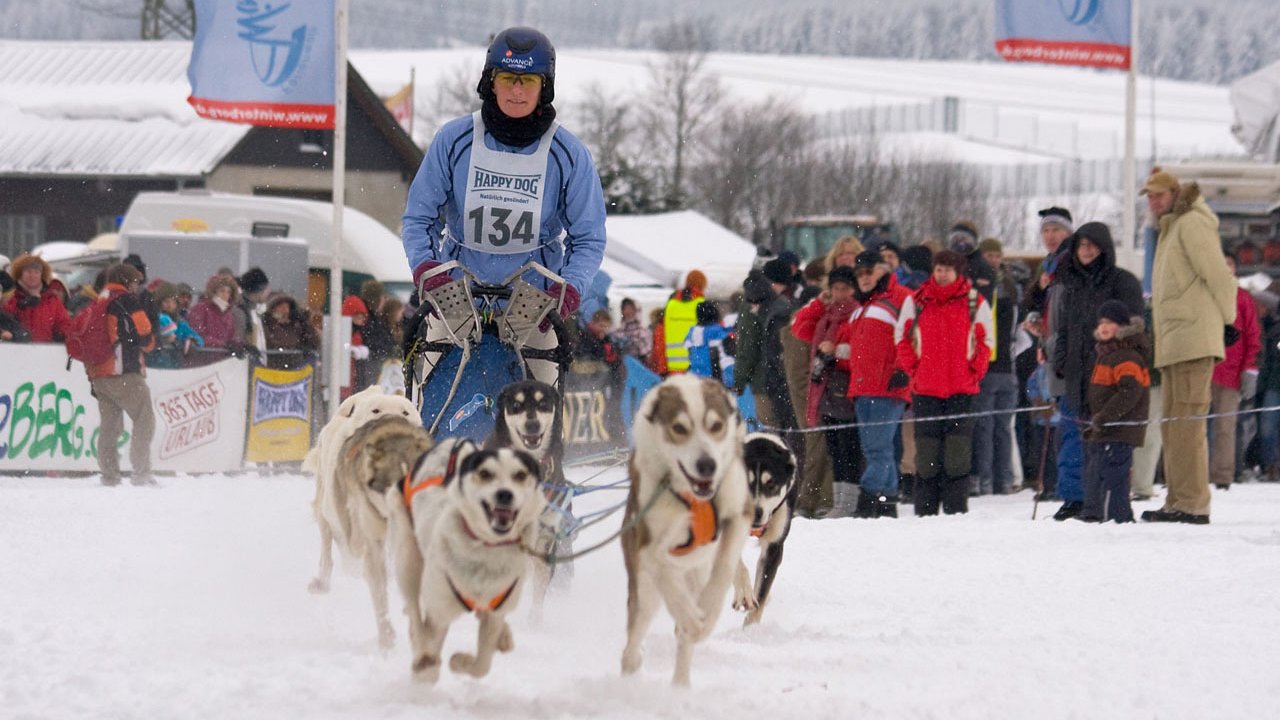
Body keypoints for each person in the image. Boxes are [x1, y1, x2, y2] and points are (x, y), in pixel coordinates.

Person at [401, 26, 606, 393]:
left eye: (527, 80)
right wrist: (427, 272)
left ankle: (544, 451)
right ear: (489, 82)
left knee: (539, 415)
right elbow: (419, 218)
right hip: (457, 299)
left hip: (535, 309)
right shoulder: (454, 140)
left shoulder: (569, 154)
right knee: (431, 401)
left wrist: (569, 290)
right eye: (508, 78)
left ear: (544, 86)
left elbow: (588, 237)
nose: (516, 90)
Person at [1143, 170, 1237, 525]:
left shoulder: (1191, 224)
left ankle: (1193, 503)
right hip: (1175, 341)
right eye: (1149, 196)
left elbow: (1217, 274)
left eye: (1159, 195)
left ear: (1174, 193)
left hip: (1192, 339)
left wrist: (1228, 321)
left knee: (1188, 424)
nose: (1153, 202)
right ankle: (1178, 500)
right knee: (1174, 425)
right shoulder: (1171, 227)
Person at [1049, 222, 1143, 520]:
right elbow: (1063, 327)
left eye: (1091, 245)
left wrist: (1118, 352)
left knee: (1108, 441)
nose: (1086, 251)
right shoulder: (1071, 282)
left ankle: (1106, 503)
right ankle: (1076, 499)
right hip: (1077, 373)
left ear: (1103, 247)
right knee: (1076, 439)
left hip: (1110, 373)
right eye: (1081, 245)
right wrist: (1060, 360)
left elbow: (1135, 326)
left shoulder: (1123, 281)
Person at [895, 250, 993, 516]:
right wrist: (914, 370)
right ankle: (925, 511)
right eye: (939, 269)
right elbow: (902, 339)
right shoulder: (916, 302)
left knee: (957, 456)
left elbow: (986, 343)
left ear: (958, 272)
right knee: (926, 456)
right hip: (925, 389)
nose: (942, 274)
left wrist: (973, 372)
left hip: (962, 389)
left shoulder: (975, 302)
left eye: (948, 269)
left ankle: (955, 511)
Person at [836, 254, 912, 518]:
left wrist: (903, 369)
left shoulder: (900, 298)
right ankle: (888, 501)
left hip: (887, 387)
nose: (864, 277)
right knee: (878, 450)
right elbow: (853, 349)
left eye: (869, 271)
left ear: (884, 270)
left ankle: (866, 501)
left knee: (877, 450)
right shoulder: (859, 308)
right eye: (859, 274)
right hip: (862, 388)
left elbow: (912, 335)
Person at [791, 264, 860, 516]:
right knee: (834, 448)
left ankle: (848, 503)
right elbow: (800, 327)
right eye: (835, 289)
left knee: (848, 447)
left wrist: (836, 353)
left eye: (844, 288)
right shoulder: (827, 314)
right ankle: (840, 502)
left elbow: (857, 351)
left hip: (844, 386)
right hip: (825, 388)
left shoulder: (855, 314)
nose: (840, 293)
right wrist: (818, 303)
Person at [84, 263, 156, 487]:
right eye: (135, 281)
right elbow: (145, 336)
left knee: (110, 426)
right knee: (145, 419)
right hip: (123, 370)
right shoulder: (126, 300)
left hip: (98, 373)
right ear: (127, 281)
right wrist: (151, 342)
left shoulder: (100, 299)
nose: (136, 286)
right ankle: (142, 472)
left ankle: (109, 475)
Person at [1080, 301, 1152, 523]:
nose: (1103, 326)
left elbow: (1129, 392)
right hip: (1104, 427)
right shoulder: (1105, 354)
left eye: (1110, 322)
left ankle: (1117, 516)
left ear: (1122, 326)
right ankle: (1094, 512)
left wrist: (1106, 416)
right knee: (1096, 470)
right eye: (1101, 322)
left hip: (1119, 428)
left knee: (1113, 474)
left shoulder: (1126, 356)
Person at [970, 237, 1022, 496]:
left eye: (996, 256)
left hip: (1002, 368)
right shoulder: (1007, 289)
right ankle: (993, 479)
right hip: (992, 368)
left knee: (995, 427)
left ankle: (997, 479)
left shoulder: (1002, 289)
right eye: (988, 256)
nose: (993, 260)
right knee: (992, 427)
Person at [1208, 252, 1261, 490]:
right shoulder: (1205, 295)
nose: (1225, 268)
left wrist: (1250, 369)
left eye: (1229, 263)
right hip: (1203, 369)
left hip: (1231, 373)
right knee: (1194, 426)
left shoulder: (1243, 298)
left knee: (1225, 427)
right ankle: (1193, 473)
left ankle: (1222, 475)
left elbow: (1253, 335)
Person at [3, 253, 70, 343]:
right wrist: (21, 306)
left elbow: (64, 326)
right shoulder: (11, 296)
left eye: (36, 272)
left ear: (41, 275)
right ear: (20, 273)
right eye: (28, 271)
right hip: (14, 351)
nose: (32, 275)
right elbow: (4, 317)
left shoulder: (51, 300)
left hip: (44, 352)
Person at [186, 274, 241, 366]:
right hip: (200, 363)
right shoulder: (201, 309)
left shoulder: (229, 315)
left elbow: (231, 337)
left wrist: (240, 345)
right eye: (222, 291)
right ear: (214, 292)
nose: (225, 295)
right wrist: (223, 345)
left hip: (220, 364)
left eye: (228, 292)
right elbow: (197, 335)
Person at [661, 270, 707, 374]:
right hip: (695, 364)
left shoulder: (671, 304)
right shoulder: (701, 305)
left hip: (673, 365)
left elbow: (662, 332)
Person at [263, 294, 321, 371]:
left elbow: (314, 343)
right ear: (273, 309)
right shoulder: (267, 325)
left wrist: (305, 322)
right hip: (272, 369)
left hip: (296, 370)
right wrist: (294, 348)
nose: (284, 309)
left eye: (287, 306)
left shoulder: (297, 326)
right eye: (280, 306)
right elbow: (271, 344)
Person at [684, 301, 731, 383]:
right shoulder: (717, 332)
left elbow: (690, 354)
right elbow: (717, 356)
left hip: (695, 376)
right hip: (713, 378)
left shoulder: (691, 332)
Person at [235, 267, 271, 359]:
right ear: (260, 290)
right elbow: (239, 339)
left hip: (256, 365)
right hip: (245, 366)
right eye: (266, 288)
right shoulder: (241, 312)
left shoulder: (257, 311)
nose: (269, 292)